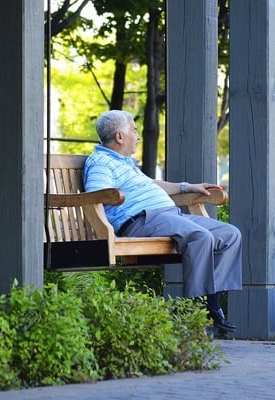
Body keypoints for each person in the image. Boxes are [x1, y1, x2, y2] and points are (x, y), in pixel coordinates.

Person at [84, 110, 242, 332]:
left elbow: (151, 184)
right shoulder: (101, 162)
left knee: (230, 234)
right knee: (200, 237)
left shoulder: (125, 163)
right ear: (120, 137)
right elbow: (97, 194)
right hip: (141, 220)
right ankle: (199, 311)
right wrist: (121, 198)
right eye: (134, 130)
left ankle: (213, 302)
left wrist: (188, 187)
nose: (137, 136)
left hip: (168, 215)